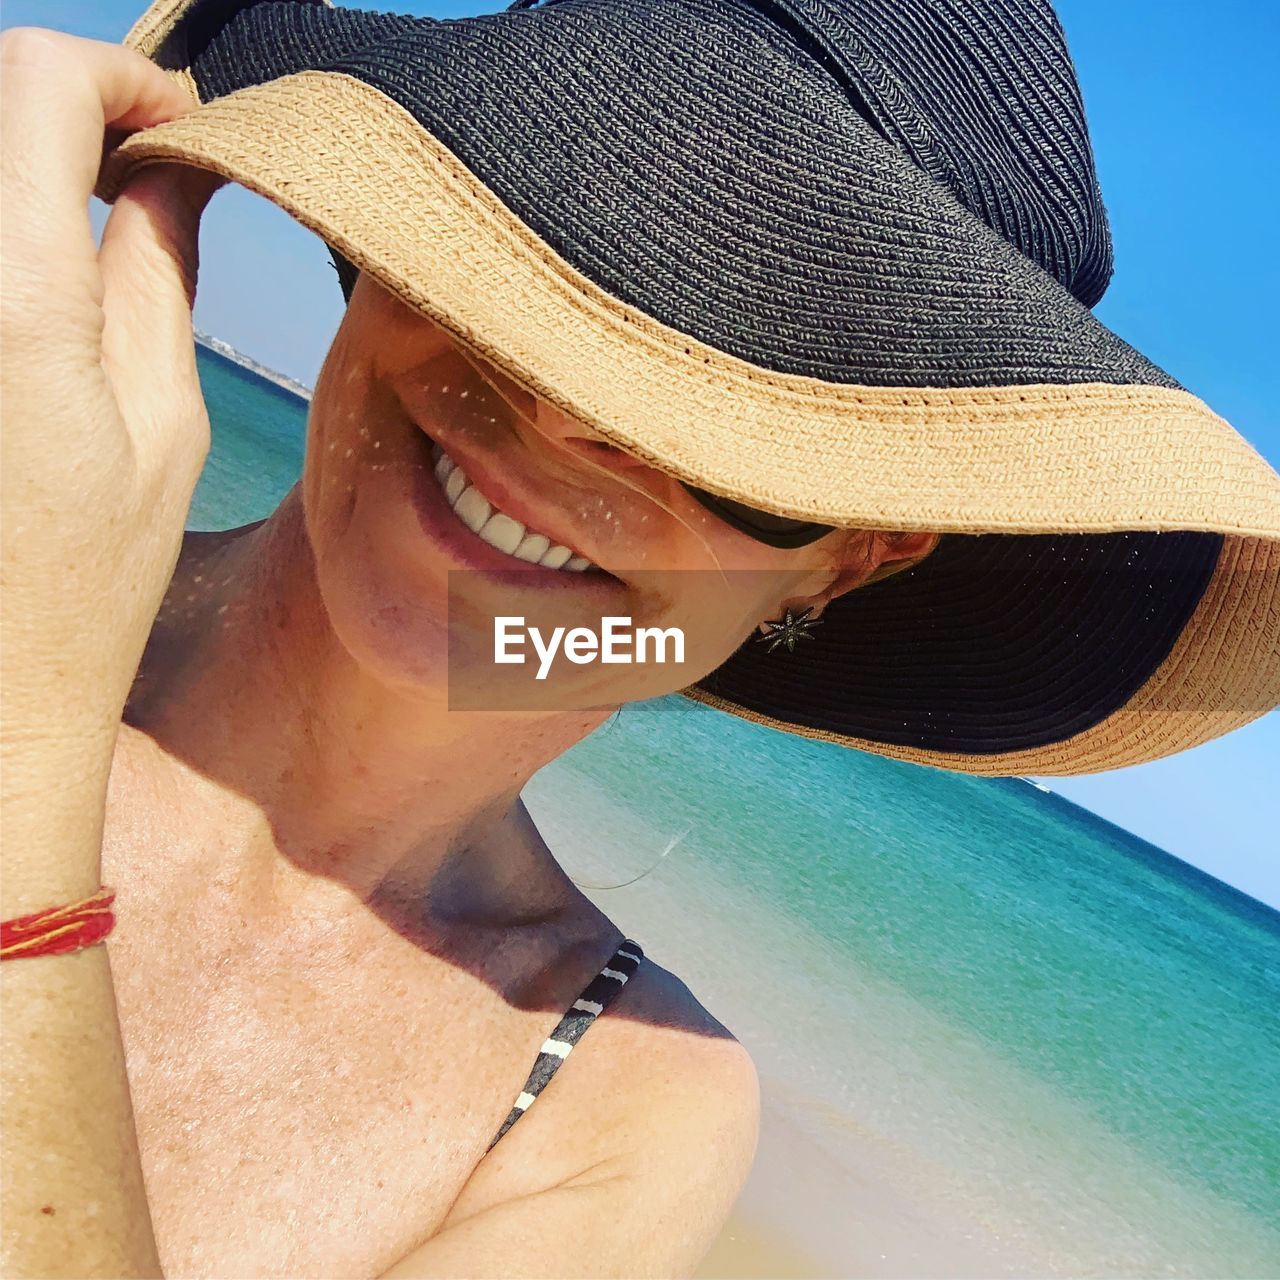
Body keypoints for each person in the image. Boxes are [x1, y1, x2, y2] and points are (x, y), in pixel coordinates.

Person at [2, 1, 1276, 1277]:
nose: (570, 418)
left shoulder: (618, 1111)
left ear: (858, 549)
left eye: (747, 397)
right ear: (386, 233)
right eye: (539, 256)